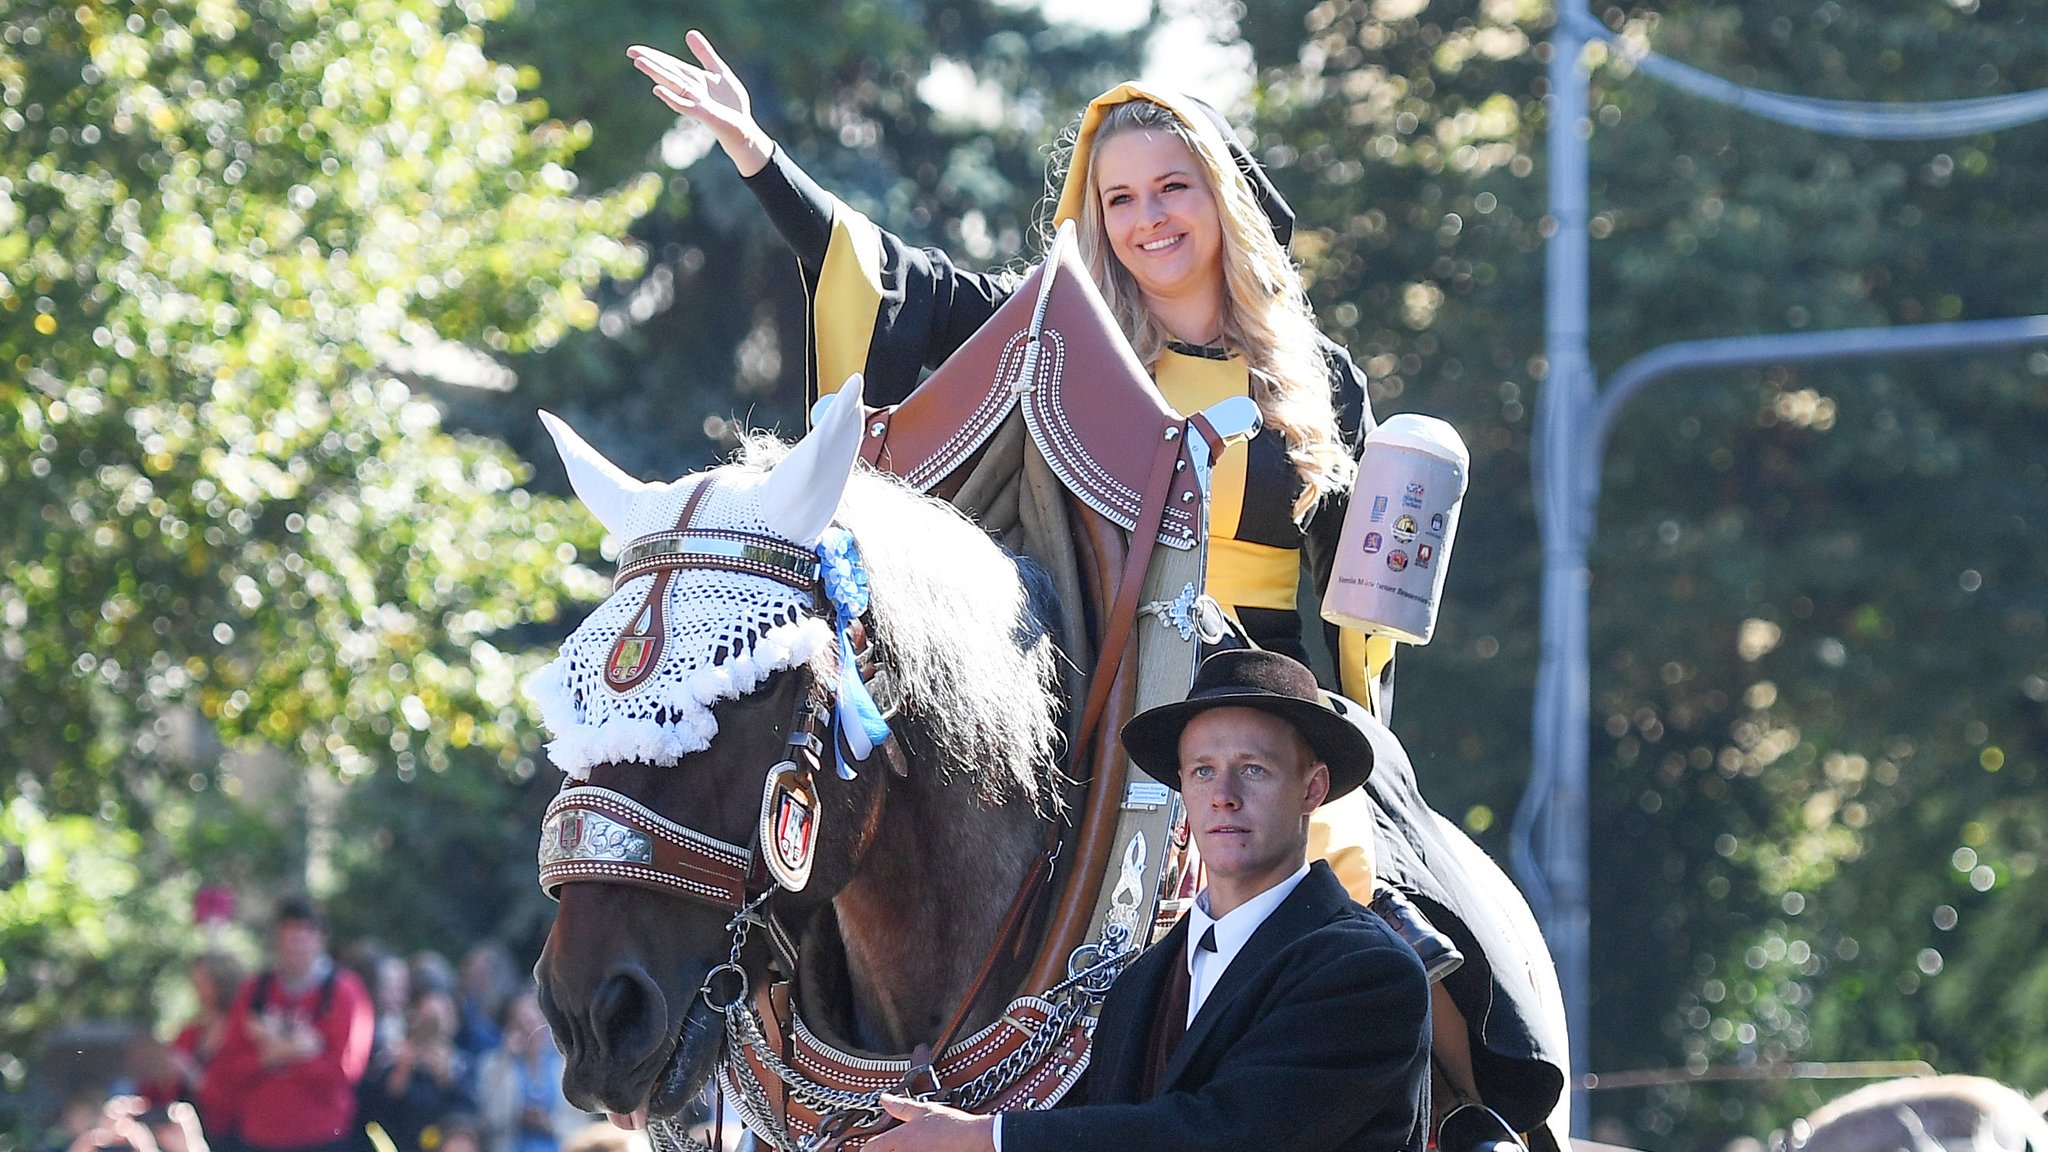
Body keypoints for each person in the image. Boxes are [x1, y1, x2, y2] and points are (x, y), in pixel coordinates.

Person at [627, 34, 1395, 714]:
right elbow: (894, 277)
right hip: (1097, 708)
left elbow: (1359, 610)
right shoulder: (1066, 338)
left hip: (1265, 710)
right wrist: (758, 156)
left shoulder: (1322, 380)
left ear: (1223, 197)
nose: (1148, 217)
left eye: (1172, 187)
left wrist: (1364, 741)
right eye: (1119, 198)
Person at [862, 648, 1431, 1152]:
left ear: (1313, 789)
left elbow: (1226, 1135)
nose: (1223, 797)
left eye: (1253, 770)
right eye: (1203, 771)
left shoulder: (1368, 972)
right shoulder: (1140, 981)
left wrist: (987, 1138)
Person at [197, 898, 375, 1152]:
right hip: (260, 1136)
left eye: (304, 936)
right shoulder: (254, 992)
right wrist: (285, 1052)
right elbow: (228, 1065)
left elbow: (345, 1069)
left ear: (320, 939)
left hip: (322, 1136)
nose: (296, 946)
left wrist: (280, 1051)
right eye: (289, 936)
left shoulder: (345, 992)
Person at [355, 984, 476, 1152]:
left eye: (440, 1019)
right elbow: (373, 1112)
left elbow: (469, 1117)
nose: (432, 1028)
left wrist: (446, 1079)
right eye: (427, 1018)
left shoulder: (463, 1065)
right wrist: (402, 1069)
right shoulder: (395, 1056)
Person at [140, 953, 245, 1115]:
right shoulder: (189, 1034)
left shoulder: (241, 1034)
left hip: (225, 1127)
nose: (197, 989)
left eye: (204, 981)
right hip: (183, 1123)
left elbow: (233, 1093)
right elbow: (162, 1089)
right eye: (195, 982)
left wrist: (194, 1075)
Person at [477, 992, 583, 1152]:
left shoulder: (564, 1065)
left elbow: (581, 1124)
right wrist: (506, 1060)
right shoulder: (494, 1066)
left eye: (534, 1023)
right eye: (522, 1025)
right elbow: (492, 1120)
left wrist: (549, 1123)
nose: (530, 1032)